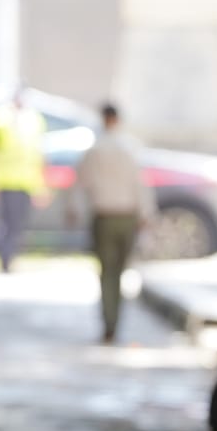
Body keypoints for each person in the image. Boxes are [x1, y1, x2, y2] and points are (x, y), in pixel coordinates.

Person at [74, 103, 152, 342]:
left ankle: (110, 322)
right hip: (125, 216)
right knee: (117, 272)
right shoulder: (129, 148)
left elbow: (81, 185)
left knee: (108, 273)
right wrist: (146, 214)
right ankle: (113, 321)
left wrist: (74, 211)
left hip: (105, 217)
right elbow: (141, 186)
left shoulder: (95, 149)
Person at [0, 88, 45, 274]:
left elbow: (37, 155)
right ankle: (4, 258)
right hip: (4, 181)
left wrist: (40, 187)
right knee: (5, 223)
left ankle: (8, 256)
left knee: (18, 224)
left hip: (25, 182)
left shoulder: (34, 120)